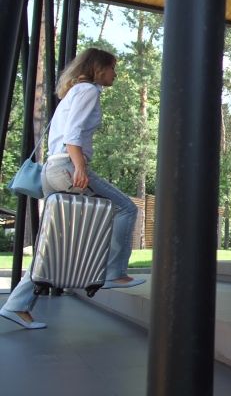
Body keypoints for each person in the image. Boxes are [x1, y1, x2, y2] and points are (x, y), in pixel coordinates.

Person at [1, 48, 145, 330]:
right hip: (68, 167)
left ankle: (16, 305)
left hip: (50, 171)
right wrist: (79, 167)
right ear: (99, 69)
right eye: (112, 68)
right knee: (126, 207)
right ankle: (115, 272)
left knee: (52, 242)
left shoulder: (73, 93)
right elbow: (73, 134)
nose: (114, 73)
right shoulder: (88, 90)